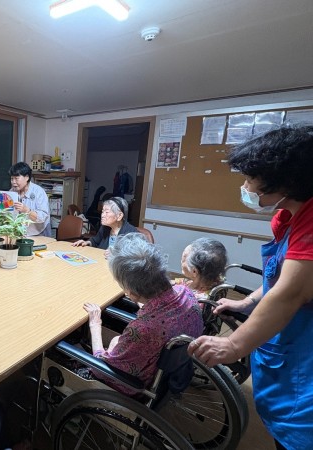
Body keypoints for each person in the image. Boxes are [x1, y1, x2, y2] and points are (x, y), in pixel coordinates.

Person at [188, 126, 313, 450]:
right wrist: (248, 302)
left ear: (284, 182)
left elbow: (291, 292)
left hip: (304, 356)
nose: (245, 187)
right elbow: (280, 277)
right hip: (286, 345)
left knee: (297, 433)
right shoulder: (289, 215)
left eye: (250, 179)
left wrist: (234, 345)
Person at [83, 233, 203, 395]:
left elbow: (99, 369)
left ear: (131, 292)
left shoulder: (142, 330)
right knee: (115, 340)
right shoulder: (186, 292)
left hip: (134, 385)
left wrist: (95, 325)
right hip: (170, 372)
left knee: (103, 344)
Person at [72, 197, 137, 255]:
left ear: (119, 216)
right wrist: (87, 243)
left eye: (107, 212)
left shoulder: (131, 233)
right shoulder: (105, 228)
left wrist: (117, 254)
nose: (102, 215)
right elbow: (95, 241)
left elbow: (136, 256)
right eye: (102, 212)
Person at [6, 162, 51, 237]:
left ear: (26, 177)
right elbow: (8, 213)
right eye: (12, 179)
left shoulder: (38, 192)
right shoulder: (12, 191)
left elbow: (43, 217)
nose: (13, 182)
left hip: (39, 231)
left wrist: (27, 211)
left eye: (16, 179)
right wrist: (0, 204)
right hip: (21, 232)